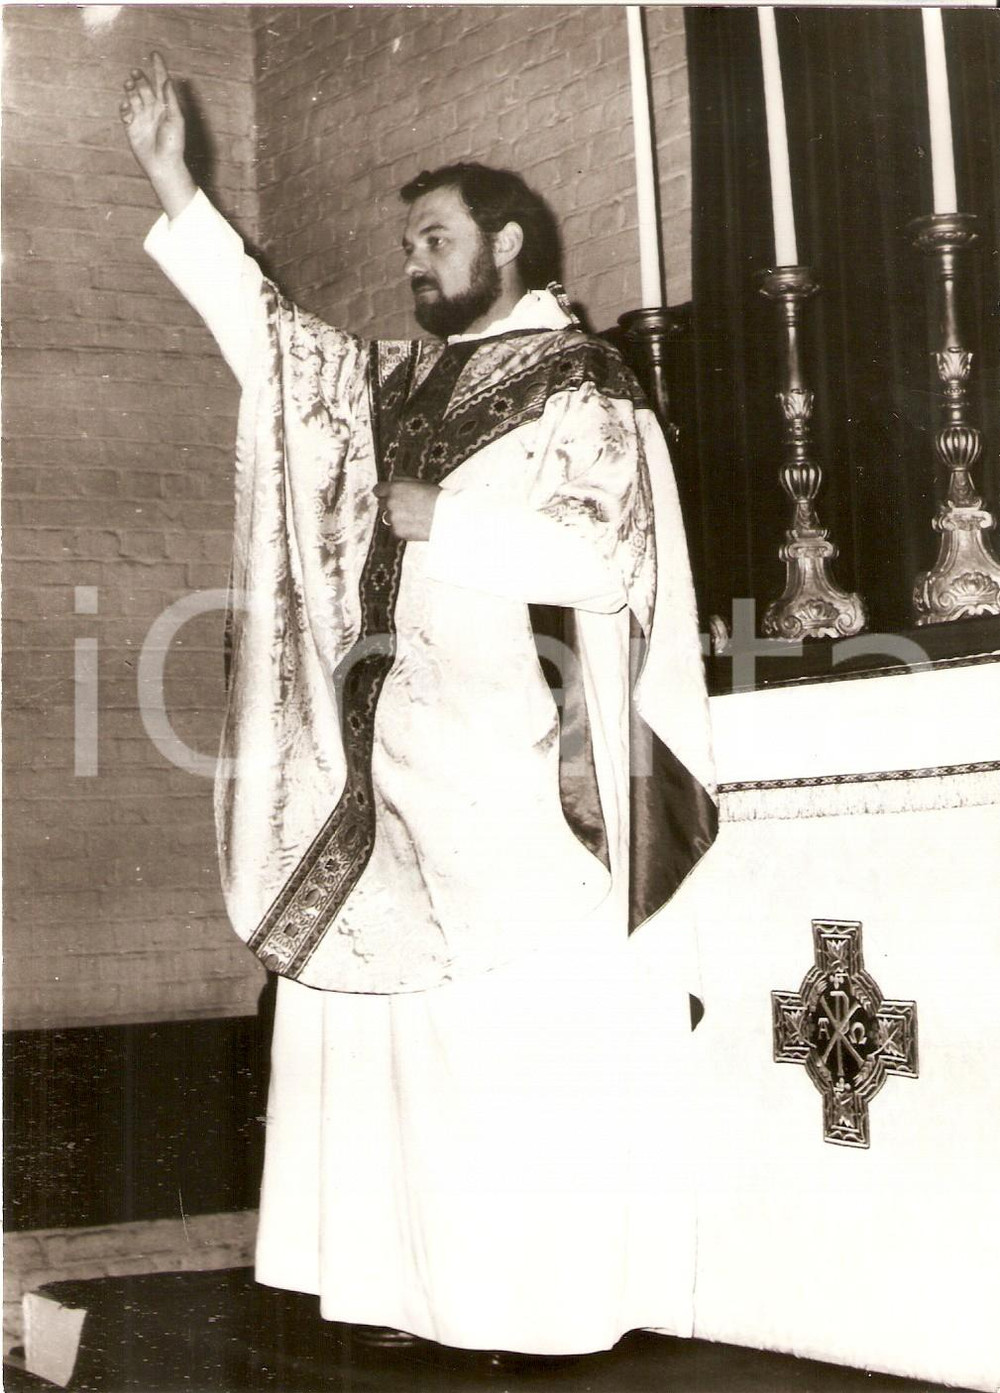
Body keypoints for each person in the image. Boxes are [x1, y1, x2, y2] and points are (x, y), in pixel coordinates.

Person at [121, 53, 717, 1360]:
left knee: (498, 1044)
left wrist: (446, 518)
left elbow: (608, 554)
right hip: (393, 759)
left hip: (518, 771)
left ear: (507, 244)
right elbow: (282, 361)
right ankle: (408, 1294)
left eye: (433, 239)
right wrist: (178, 188)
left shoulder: (583, 382)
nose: (411, 264)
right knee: (385, 1029)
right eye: (405, 247)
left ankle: (522, 1307)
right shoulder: (400, 387)